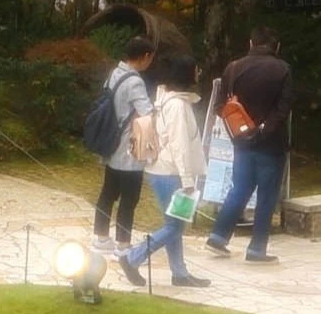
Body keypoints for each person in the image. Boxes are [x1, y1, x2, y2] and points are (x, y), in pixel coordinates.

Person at [119, 54, 211, 290]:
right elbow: (180, 145)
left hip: (162, 171)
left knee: (174, 224)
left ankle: (179, 273)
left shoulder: (166, 99)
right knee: (175, 226)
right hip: (171, 174)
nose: (198, 74)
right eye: (196, 70)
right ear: (188, 74)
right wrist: (188, 180)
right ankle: (132, 258)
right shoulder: (178, 105)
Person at [206, 28, 292, 263]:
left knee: (240, 187)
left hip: (240, 141)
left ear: (251, 42)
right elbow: (283, 109)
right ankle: (256, 249)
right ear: (277, 46)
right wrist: (262, 130)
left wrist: (238, 131)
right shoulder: (282, 69)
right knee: (266, 195)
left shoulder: (233, 67)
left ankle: (218, 236)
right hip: (271, 143)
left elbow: (221, 106)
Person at [94, 36, 158, 247]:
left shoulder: (115, 73)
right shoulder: (135, 81)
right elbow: (147, 112)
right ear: (146, 56)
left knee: (108, 193)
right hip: (128, 149)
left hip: (111, 144)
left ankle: (101, 237)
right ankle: (123, 243)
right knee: (129, 199)